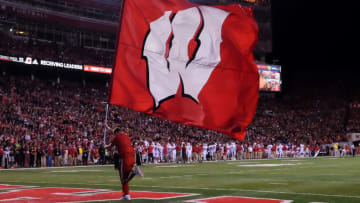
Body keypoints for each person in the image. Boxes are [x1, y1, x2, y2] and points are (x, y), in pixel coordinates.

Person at [105, 125, 144, 201]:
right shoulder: (126, 135)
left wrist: (105, 146)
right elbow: (114, 133)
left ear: (116, 132)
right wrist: (107, 127)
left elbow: (109, 147)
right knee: (124, 176)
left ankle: (134, 172)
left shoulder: (117, 137)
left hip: (124, 158)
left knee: (123, 179)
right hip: (131, 157)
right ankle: (126, 194)